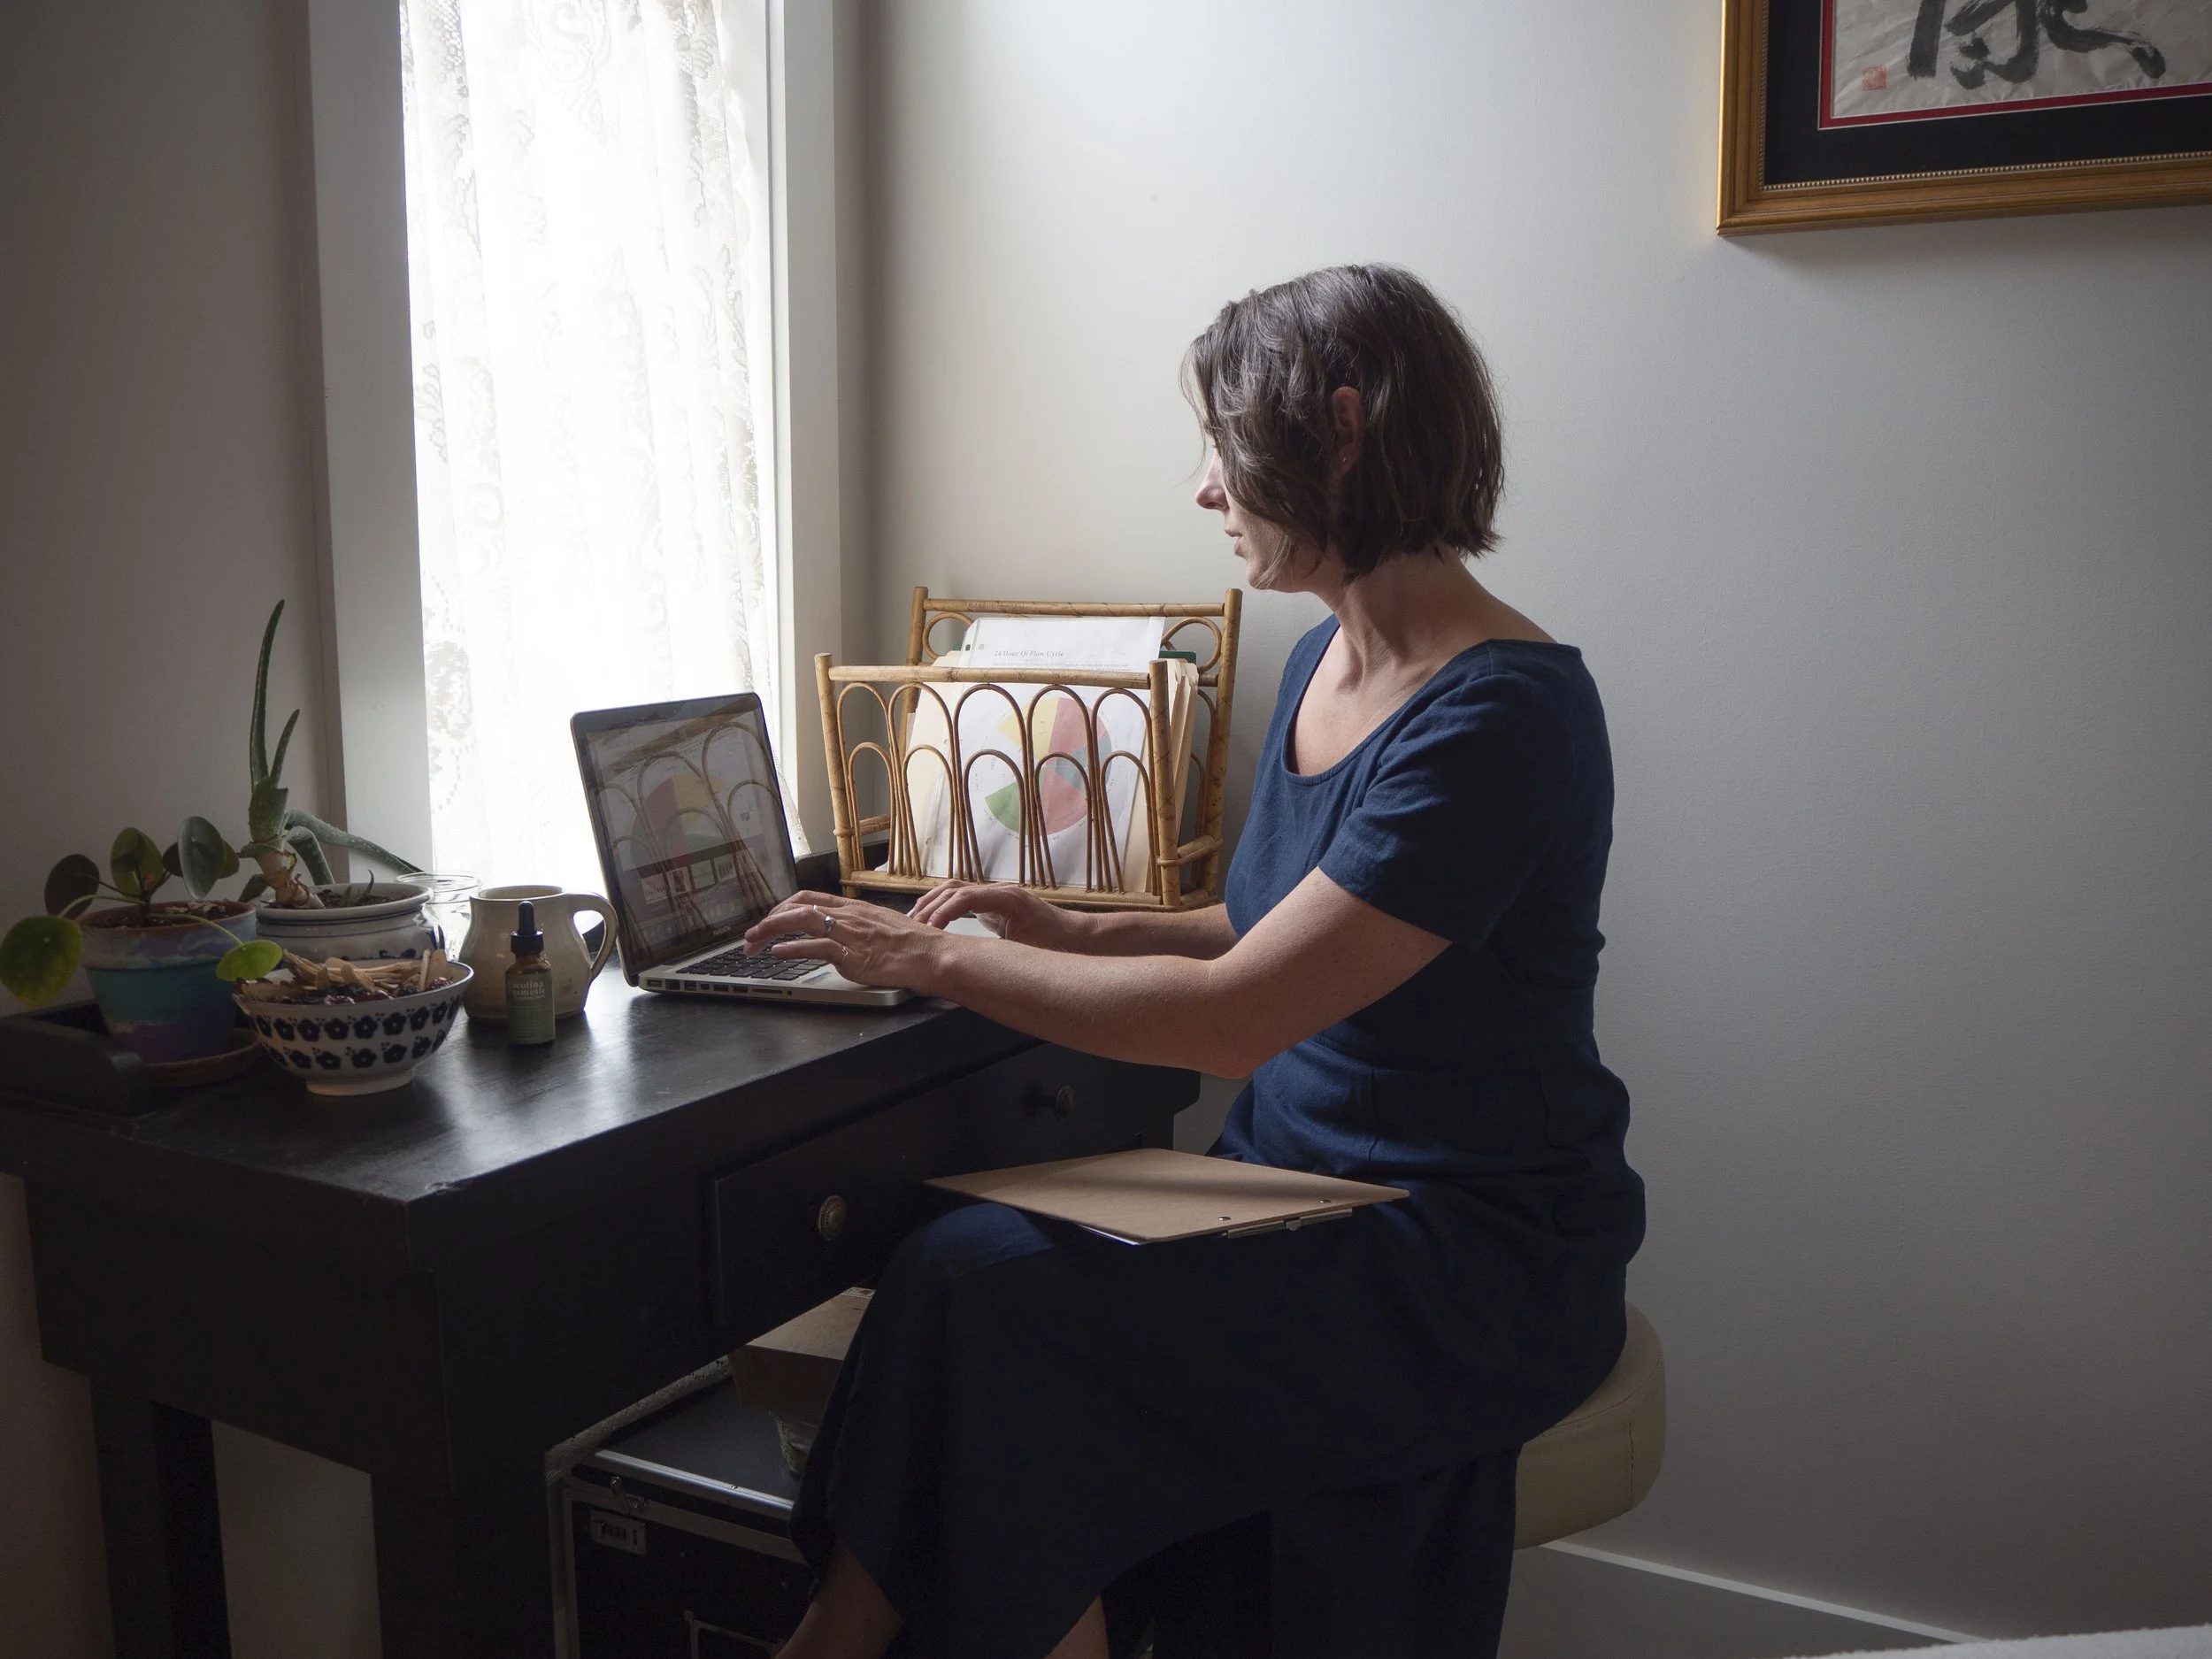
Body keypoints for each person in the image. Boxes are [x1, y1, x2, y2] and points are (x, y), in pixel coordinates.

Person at [743, 264, 1644, 1659]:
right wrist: (1074, 927)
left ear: (1339, 430)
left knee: (1000, 1305)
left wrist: (927, 963)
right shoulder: (1326, 665)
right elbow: (1265, 926)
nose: (1208, 488)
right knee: (950, 1267)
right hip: (1290, 1187)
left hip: (1462, 1244)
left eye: (1226, 444)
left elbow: (1235, 1021)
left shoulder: (1505, 718)